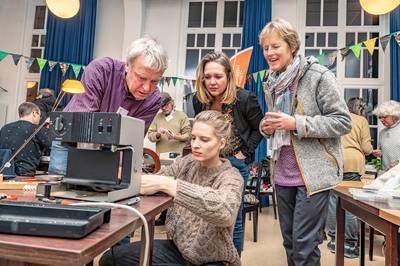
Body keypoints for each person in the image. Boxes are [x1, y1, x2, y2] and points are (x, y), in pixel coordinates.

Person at [259, 18, 351, 265]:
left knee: (304, 247)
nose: (269, 53)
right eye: (265, 48)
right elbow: (276, 122)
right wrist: (266, 127)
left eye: (275, 46)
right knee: (290, 244)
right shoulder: (272, 81)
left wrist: (296, 123)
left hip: (312, 175)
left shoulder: (318, 75)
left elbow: (343, 122)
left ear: (291, 46)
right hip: (281, 174)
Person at [100, 110, 243, 266]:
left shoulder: (231, 176)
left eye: (204, 140)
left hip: (213, 260)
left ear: (221, 143)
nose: (195, 145)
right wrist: (126, 174)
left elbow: (225, 211)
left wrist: (170, 185)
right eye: (193, 138)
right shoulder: (187, 163)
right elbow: (161, 176)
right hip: (178, 250)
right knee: (111, 259)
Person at [48, 36, 168, 175]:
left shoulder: (154, 99)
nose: (147, 88)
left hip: (110, 149)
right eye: (141, 78)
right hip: (70, 141)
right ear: (127, 65)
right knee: (60, 189)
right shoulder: (101, 70)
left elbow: (132, 140)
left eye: (154, 81)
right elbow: (85, 123)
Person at [192, 51, 263, 255]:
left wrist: (244, 153)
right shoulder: (200, 100)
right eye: (207, 77)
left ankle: (233, 259)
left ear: (229, 76)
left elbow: (261, 128)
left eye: (218, 76)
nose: (212, 82)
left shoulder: (244, 99)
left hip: (235, 165)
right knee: (206, 214)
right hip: (206, 165)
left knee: (234, 218)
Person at [326, 97, 373, 258]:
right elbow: (366, 149)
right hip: (353, 164)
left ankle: (333, 241)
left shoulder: (338, 118)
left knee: (333, 202)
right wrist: (372, 150)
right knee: (351, 205)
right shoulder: (361, 120)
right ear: (360, 108)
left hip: (335, 162)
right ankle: (349, 244)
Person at [0, 102, 52, 176]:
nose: (40, 119)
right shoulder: (37, 129)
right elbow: (52, 146)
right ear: (34, 113)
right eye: (39, 116)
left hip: (3, 173)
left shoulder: (5, 128)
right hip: (24, 174)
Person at [372, 100, 400, 171]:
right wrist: (379, 154)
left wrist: (398, 163)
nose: (381, 120)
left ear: (394, 116)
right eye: (380, 117)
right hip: (386, 175)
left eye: (384, 117)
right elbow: (379, 159)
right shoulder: (382, 133)